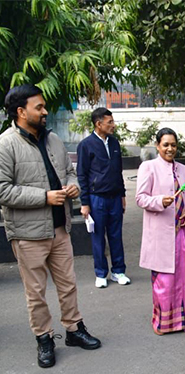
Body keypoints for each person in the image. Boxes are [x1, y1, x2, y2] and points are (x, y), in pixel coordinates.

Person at [0, 84, 101, 368]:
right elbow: (2, 190)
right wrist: (44, 197)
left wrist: (72, 186)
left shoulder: (53, 139)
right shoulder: (6, 144)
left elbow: (71, 172)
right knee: (36, 292)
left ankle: (74, 329)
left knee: (68, 284)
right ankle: (44, 339)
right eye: (39, 107)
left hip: (60, 228)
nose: (45, 111)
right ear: (21, 112)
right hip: (27, 234)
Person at [135, 128, 185, 335]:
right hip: (161, 234)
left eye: (173, 145)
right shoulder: (148, 167)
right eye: (166, 145)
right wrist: (159, 201)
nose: (170, 149)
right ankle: (163, 323)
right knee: (165, 279)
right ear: (157, 146)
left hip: (181, 232)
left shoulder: (182, 169)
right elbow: (140, 198)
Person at [77, 107, 130, 288]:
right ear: (98, 124)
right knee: (98, 236)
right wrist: (85, 203)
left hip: (115, 197)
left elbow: (119, 171)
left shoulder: (114, 143)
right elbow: (82, 175)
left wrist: (122, 194)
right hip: (96, 198)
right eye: (110, 122)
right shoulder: (86, 145)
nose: (113, 125)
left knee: (116, 235)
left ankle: (118, 271)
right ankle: (101, 273)